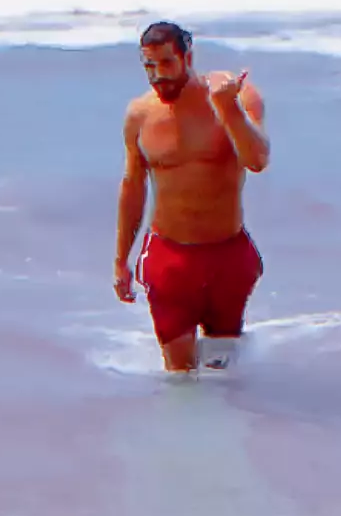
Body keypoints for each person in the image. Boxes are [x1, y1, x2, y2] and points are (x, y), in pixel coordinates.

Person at [113, 21, 270, 373]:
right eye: (149, 66)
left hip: (228, 256)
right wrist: (121, 259)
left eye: (166, 63)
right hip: (170, 258)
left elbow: (257, 160)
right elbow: (133, 186)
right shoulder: (140, 115)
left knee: (223, 371)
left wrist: (227, 108)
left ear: (188, 58)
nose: (157, 75)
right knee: (180, 379)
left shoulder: (236, 97)